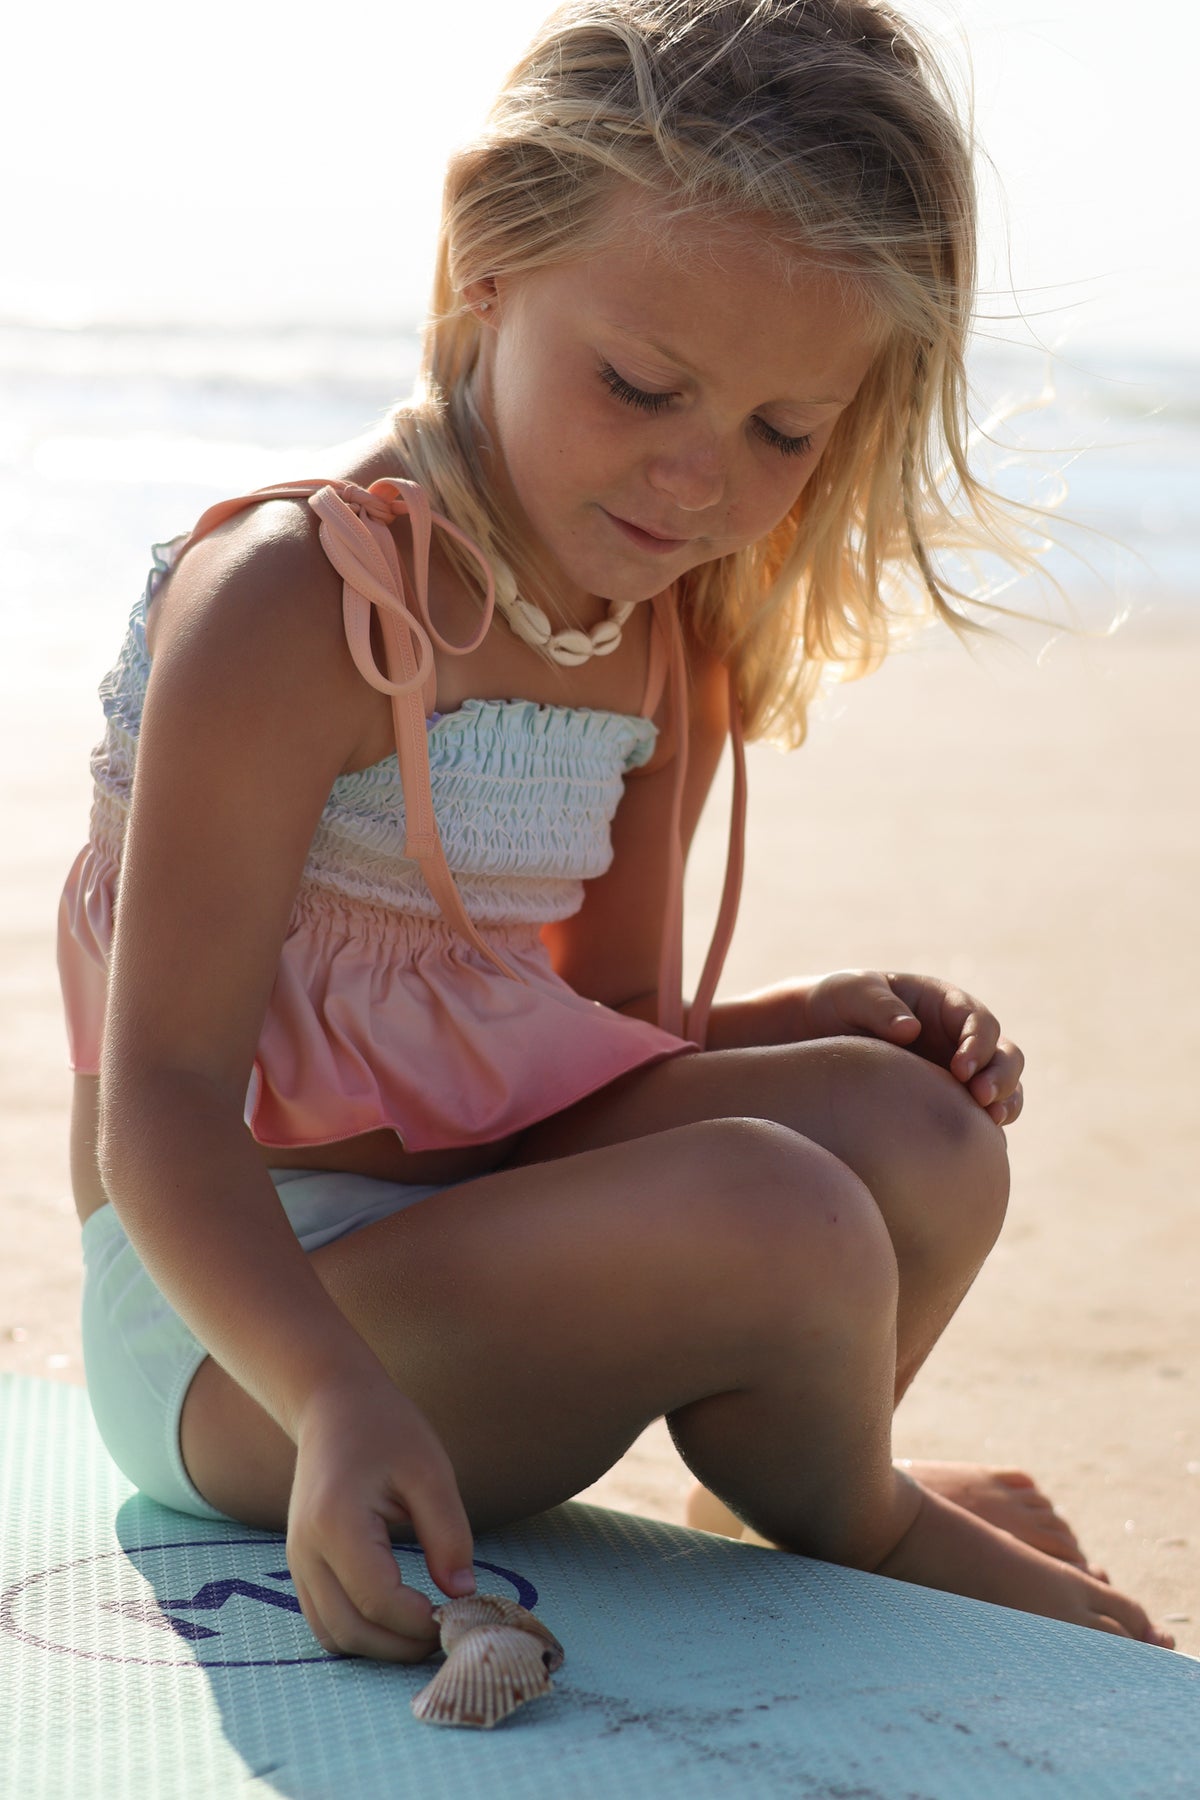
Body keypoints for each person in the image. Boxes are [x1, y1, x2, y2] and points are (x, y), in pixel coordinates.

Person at [58, 0, 1171, 1661]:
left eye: (783, 432)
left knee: (919, 1136)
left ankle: (790, 1487)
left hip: (484, 1238)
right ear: (485, 271)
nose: (696, 482)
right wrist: (339, 1401)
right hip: (243, 1340)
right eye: (644, 385)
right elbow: (157, 1111)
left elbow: (618, 1058)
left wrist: (781, 1028)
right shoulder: (299, 604)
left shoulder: (658, 634)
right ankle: (859, 1523)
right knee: (772, 1209)